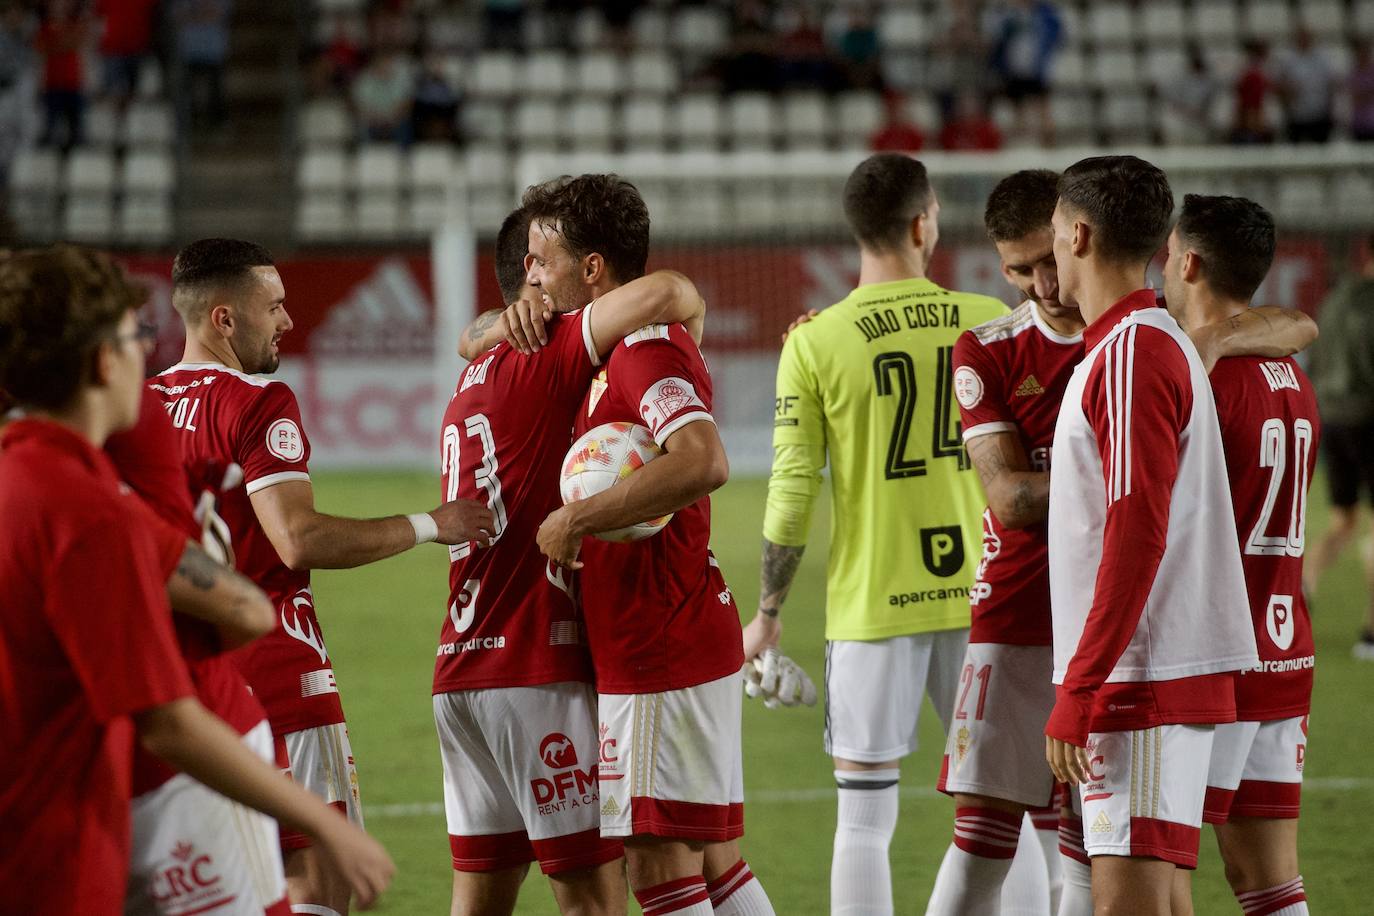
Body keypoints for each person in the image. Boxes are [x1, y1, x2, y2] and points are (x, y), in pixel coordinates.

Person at [0, 244, 395, 915]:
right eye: (136, 336)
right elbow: (171, 714)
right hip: (91, 832)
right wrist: (325, 822)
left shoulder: (39, 477)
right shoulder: (88, 514)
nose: (146, 351)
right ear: (103, 361)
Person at [151, 238, 495, 915]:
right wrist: (432, 524)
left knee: (207, 885)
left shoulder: (135, 407)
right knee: (317, 884)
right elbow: (296, 539)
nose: (287, 322)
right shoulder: (257, 402)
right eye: (273, 308)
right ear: (225, 319)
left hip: (170, 682)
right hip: (277, 676)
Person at [743, 153, 1008, 916]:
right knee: (1001, 816)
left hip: (872, 607)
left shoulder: (817, 341)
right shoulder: (990, 319)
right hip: (985, 602)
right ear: (925, 221)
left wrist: (767, 611)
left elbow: (793, 493)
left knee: (863, 817)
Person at [438, 204, 714, 916]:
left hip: (458, 670)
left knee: (479, 899)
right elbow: (668, 293)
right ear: (528, 285)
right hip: (535, 665)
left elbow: (471, 336)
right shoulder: (551, 347)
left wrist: (490, 326)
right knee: (594, 898)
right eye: (534, 262)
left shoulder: (470, 378)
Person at [514, 174, 775, 916]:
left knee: (659, 869)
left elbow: (702, 461)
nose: (530, 274)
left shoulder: (642, 350)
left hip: (662, 637)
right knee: (716, 863)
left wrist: (577, 519)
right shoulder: (604, 352)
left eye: (541, 258)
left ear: (591, 269)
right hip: (670, 630)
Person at [1044, 156, 1259, 913]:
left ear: (1076, 234)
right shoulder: (1134, 342)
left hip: (1143, 675)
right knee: (1161, 898)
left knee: (1126, 903)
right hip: (1153, 669)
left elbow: (1138, 531)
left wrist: (1081, 685)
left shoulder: (1132, 350)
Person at [925, 169, 1083, 916]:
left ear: (1077, 234)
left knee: (1094, 840)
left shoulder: (1147, 331)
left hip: (1120, 618)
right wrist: (1135, 481)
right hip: (1018, 611)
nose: (1041, 283)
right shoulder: (987, 348)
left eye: (1049, 260)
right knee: (983, 835)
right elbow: (1012, 498)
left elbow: (1282, 321)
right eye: (1019, 269)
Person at [1162, 194, 1318, 916]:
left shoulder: (1202, 382)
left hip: (1215, 659)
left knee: (1159, 873)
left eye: (1167, 253)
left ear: (1187, 261)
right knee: (1269, 880)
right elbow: (1298, 322)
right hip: (1285, 649)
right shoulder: (1289, 371)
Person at [1304, 235, 1374, 659]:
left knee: (1343, 521)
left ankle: (1301, 588)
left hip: (1332, 418)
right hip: (1370, 417)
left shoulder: (1335, 299)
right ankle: (1370, 634)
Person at [988, 0, 1061, 146]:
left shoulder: (1044, 13)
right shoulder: (1007, 14)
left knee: (1042, 109)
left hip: (1035, 69)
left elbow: (1055, 34)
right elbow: (997, 37)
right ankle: (1020, 145)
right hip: (1013, 70)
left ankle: (1049, 146)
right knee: (1017, 111)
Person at [1277, 29, 1336, 143]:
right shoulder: (1288, 60)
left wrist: (1330, 109)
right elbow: (1280, 86)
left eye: (1306, 38)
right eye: (1301, 38)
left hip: (1319, 114)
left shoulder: (1322, 59)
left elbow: (1331, 84)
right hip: (1296, 115)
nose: (1304, 41)